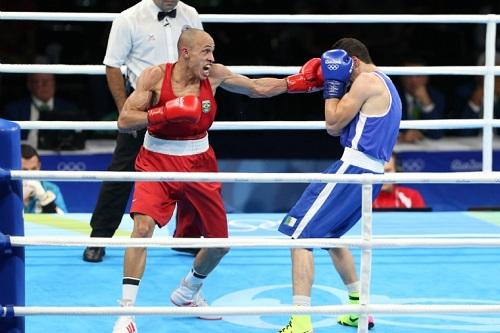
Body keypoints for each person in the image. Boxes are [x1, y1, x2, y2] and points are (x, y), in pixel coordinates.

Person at [111, 28, 323, 333]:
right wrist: (164, 113)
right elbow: (124, 119)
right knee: (142, 229)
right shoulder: (155, 77)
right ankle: (126, 313)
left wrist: (297, 82)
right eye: (205, 51)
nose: (211, 58)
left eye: (212, 51)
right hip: (157, 160)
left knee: (219, 243)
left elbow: (256, 88)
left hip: (200, 163)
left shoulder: (214, 75)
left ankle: (188, 291)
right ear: (185, 53)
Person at [277, 38, 402, 332]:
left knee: (299, 237)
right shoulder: (387, 83)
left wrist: (333, 87)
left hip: (353, 169)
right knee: (332, 237)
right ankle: (360, 310)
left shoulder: (365, 82)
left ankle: (300, 322)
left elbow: (332, 124)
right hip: (371, 174)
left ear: (353, 62)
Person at [83, 0, 204, 262]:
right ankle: (99, 238)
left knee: (192, 170)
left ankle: (188, 237)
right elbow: (113, 66)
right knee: (123, 170)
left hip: (186, 103)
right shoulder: (128, 18)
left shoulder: (190, 14)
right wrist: (125, 110)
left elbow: (201, 56)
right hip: (146, 103)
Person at [2, 73, 82, 150]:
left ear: (54, 83)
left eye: (47, 82)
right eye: (37, 82)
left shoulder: (70, 108)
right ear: (29, 85)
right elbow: (8, 140)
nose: (43, 86)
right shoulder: (13, 110)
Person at [397, 57, 445, 142]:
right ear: (401, 76)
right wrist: (401, 135)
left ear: (427, 77)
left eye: (418, 75)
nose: (413, 80)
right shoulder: (392, 96)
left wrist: (427, 102)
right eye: (408, 75)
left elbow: (437, 133)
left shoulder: (437, 96)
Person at [454, 52, 500, 137]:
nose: (494, 78)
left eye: (497, 73)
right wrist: (475, 100)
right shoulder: (464, 92)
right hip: (471, 145)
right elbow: (463, 133)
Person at [21, 144, 67, 214]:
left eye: (34, 169)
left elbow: (64, 221)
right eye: (24, 170)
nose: (29, 174)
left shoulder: (52, 189)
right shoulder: (8, 191)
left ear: (39, 166)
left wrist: (44, 198)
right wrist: (20, 198)